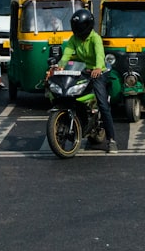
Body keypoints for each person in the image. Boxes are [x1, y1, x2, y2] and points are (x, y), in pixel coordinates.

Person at [46, 9, 117, 154]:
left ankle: (111, 140)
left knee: (103, 104)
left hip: (98, 73)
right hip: (82, 72)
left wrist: (97, 68)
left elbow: (99, 55)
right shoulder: (74, 39)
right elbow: (66, 55)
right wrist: (60, 65)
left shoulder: (95, 38)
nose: (78, 32)